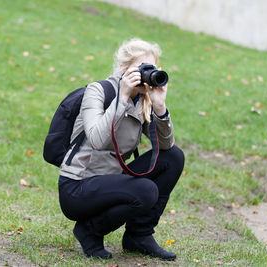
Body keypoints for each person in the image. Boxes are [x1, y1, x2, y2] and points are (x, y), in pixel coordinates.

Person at [57, 38, 185, 260]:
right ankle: (89, 231)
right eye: (141, 68)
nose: (147, 74)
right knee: (146, 190)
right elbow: (97, 139)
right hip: (78, 187)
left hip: (113, 179)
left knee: (173, 157)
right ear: (124, 69)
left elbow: (165, 145)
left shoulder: (142, 100)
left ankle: (139, 236)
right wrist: (122, 97)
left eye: (152, 69)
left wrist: (159, 105)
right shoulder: (98, 91)